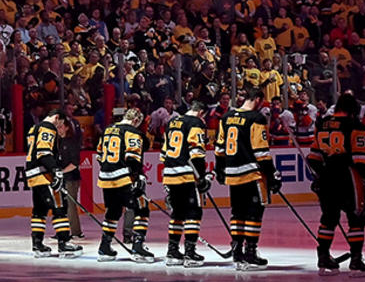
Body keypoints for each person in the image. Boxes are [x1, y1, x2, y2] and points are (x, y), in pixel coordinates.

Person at [308, 93, 365, 274]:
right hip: (348, 176)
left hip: (326, 176)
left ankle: (323, 257)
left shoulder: (322, 123)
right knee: (356, 218)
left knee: (328, 218)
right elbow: (360, 159)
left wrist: (321, 175)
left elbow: (313, 158)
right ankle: (356, 259)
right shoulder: (355, 125)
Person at [215, 98, 278, 271]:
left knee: (237, 213)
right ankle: (250, 252)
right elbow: (261, 151)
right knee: (254, 213)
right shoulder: (256, 118)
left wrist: (219, 169)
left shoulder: (226, 117)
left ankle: (237, 250)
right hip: (251, 173)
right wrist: (272, 175)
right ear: (256, 99)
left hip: (232, 173)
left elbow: (219, 148)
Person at [96, 108, 153, 262]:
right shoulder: (132, 132)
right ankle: (138, 246)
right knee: (142, 208)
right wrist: (138, 176)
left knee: (113, 211)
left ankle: (105, 247)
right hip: (124, 178)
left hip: (105, 177)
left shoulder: (107, 130)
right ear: (136, 121)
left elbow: (99, 156)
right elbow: (133, 157)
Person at [24, 110, 80, 257]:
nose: (60, 127)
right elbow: (43, 152)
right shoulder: (48, 128)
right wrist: (56, 170)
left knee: (39, 211)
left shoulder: (33, 129)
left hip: (33, 174)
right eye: (60, 123)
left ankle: (37, 245)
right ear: (56, 118)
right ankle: (63, 243)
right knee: (60, 206)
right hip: (44, 174)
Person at [161, 102, 209, 266]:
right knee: (194, 213)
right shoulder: (196, 123)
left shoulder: (172, 122)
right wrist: (201, 177)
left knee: (178, 213)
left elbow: (163, 154)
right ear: (200, 113)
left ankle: (172, 251)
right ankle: (190, 252)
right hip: (186, 174)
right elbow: (196, 153)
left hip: (170, 172)